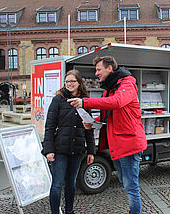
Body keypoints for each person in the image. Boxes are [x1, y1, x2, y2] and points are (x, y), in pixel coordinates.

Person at [68, 56, 147, 214]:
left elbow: (117, 102)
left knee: (131, 187)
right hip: (118, 145)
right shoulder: (110, 88)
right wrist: (92, 122)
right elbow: (107, 114)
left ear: (109, 68)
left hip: (130, 144)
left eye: (98, 69)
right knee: (125, 184)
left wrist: (85, 102)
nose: (96, 73)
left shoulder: (127, 84)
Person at [42, 69, 95, 214]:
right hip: (60, 149)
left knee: (71, 183)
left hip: (77, 149)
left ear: (79, 83)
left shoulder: (84, 101)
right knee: (57, 184)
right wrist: (49, 150)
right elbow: (50, 126)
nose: (69, 84)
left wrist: (91, 151)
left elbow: (89, 127)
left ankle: (69, 211)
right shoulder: (58, 99)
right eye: (67, 81)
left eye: (72, 81)